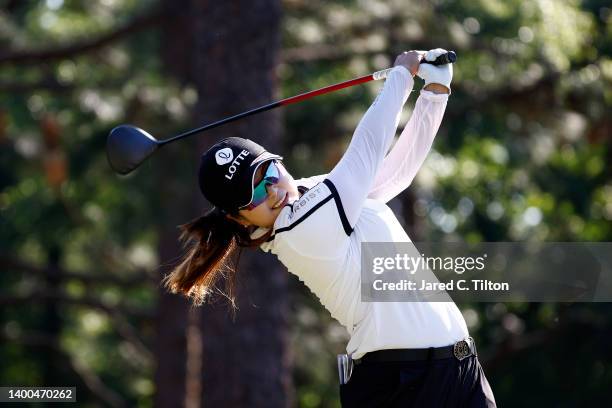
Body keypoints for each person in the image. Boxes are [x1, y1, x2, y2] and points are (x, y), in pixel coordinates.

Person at [164, 48, 496, 407]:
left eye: (269, 172)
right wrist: (401, 76)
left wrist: (434, 93)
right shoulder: (299, 229)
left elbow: (391, 176)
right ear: (238, 218)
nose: (274, 191)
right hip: (403, 387)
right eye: (254, 192)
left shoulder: (315, 195)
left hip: (460, 371)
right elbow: (365, 151)